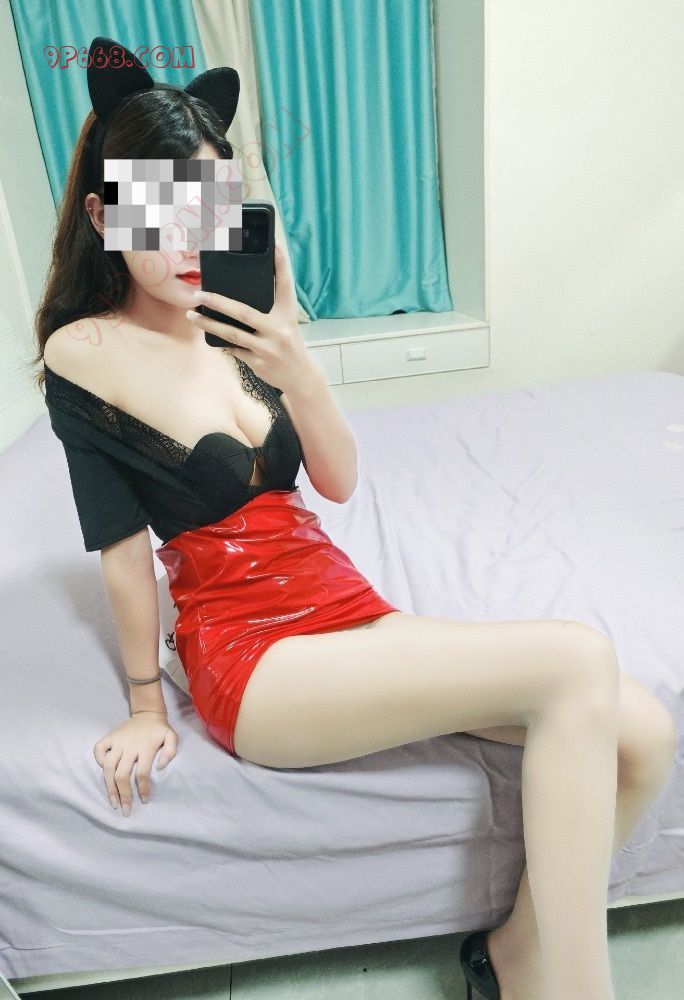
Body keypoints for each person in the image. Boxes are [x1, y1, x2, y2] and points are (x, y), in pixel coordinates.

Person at [33, 38, 676, 1000]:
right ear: (102, 213)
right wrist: (143, 704)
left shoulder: (242, 315)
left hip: (342, 604)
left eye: (206, 207)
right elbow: (123, 550)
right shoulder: (87, 352)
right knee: (576, 658)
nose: (185, 241)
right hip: (253, 657)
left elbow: (336, 480)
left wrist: (296, 359)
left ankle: (515, 954)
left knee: (644, 734)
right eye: (156, 212)